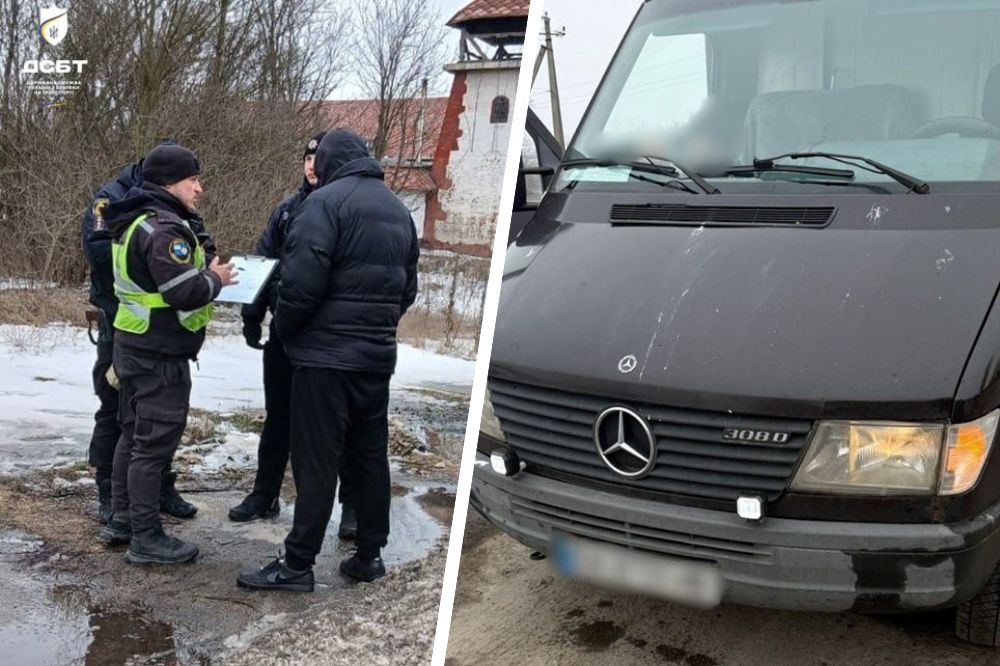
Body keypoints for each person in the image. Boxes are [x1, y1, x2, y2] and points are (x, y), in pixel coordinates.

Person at [237, 128, 419, 592]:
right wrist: (376, 327)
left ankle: (297, 564)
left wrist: (292, 334)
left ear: (332, 162)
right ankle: (368, 555)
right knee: (369, 455)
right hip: (375, 358)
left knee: (316, 461)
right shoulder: (399, 210)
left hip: (324, 360)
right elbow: (408, 289)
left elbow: (301, 285)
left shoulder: (324, 203)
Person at [97, 143, 237, 564]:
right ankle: (146, 537)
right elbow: (182, 292)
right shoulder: (163, 230)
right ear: (169, 182)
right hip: (157, 354)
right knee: (153, 445)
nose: (200, 188)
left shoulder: (138, 220)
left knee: (133, 434)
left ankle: (123, 518)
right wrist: (215, 279)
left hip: (134, 345)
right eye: (193, 179)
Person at [229, 132, 358, 536]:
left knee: (341, 425)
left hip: (331, 340)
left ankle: (352, 507)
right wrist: (252, 315)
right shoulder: (287, 210)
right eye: (306, 155)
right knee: (278, 419)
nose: (311, 163)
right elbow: (263, 262)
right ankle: (264, 494)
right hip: (284, 332)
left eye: (318, 156)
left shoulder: (349, 207)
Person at [82, 159, 203, 524]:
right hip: (119, 317)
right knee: (115, 407)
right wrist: (147, 249)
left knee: (153, 421)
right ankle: (110, 491)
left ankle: (157, 490)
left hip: (159, 327)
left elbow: (196, 237)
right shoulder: (110, 202)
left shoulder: (169, 209)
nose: (195, 187)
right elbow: (98, 251)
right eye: (188, 178)